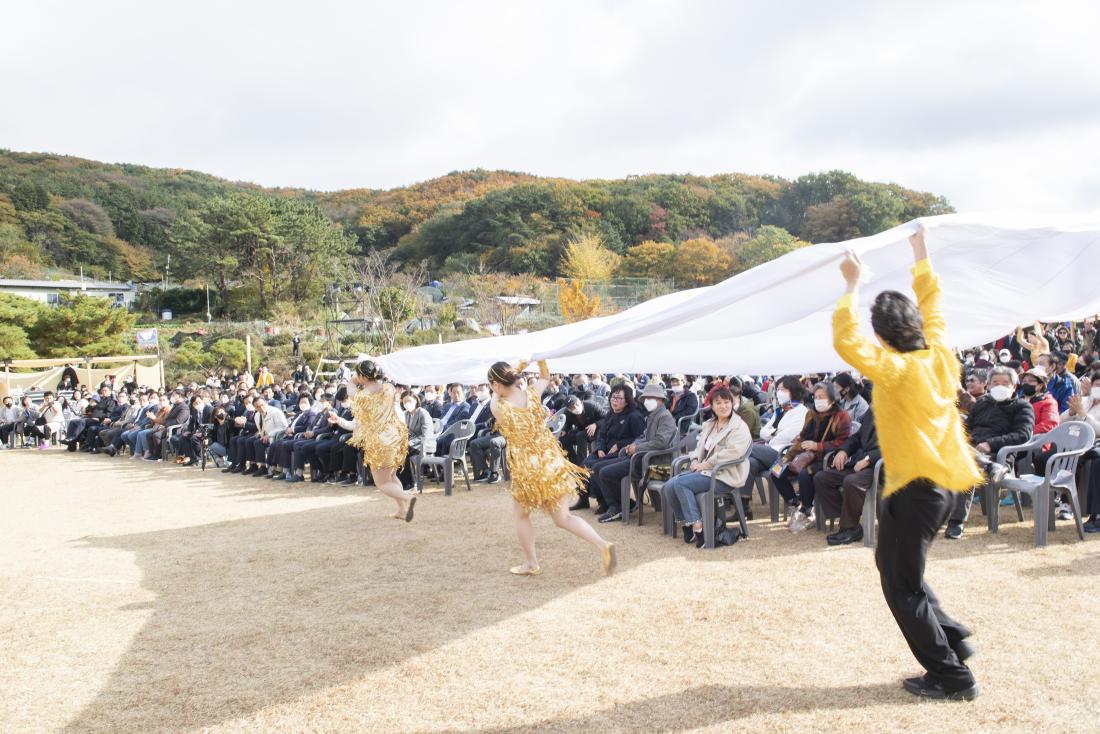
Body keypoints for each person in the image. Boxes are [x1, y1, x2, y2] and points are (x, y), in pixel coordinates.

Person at [834, 224, 982, 701]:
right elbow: (933, 301)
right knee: (894, 569)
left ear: (882, 336)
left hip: (916, 490)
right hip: (935, 488)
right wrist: (920, 251)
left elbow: (847, 342)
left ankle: (952, 677)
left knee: (902, 588)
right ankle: (952, 639)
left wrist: (852, 284)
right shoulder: (938, 353)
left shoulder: (897, 369)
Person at [487, 360, 616, 576]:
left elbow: (495, 397)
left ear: (496, 384)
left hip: (528, 468)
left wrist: (507, 377)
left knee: (521, 516)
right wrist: (539, 360)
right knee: (563, 518)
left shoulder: (499, 407)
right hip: (550, 462)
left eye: (492, 384)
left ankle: (532, 563)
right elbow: (545, 377)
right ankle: (603, 545)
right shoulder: (532, 394)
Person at [946, 366, 1034, 538]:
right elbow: (967, 429)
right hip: (972, 451)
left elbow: (1022, 435)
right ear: (989, 385)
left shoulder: (1022, 406)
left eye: (1005, 383)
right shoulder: (982, 403)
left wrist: (991, 444)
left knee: (966, 465)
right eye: (995, 383)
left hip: (999, 455)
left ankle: (956, 522)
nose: (1000, 386)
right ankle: (988, 466)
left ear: (1014, 386)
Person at [664, 386, 752, 547]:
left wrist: (705, 464)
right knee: (669, 485)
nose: (723, 406)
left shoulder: (739, 426)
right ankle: (688, 525)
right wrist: (695, 461)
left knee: (680, 483)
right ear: (711, 406)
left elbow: (732, 453)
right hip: (706, 471)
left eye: (726, 402)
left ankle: (699, 529)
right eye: (718, 403)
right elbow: (699, 448)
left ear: (732, 403)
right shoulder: (710, 424)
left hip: (724, 474)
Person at [331, 359, 415, 521]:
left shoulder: (363, 396)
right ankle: (401, 509)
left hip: (380, 442)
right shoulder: (389, 388)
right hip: (396, 438)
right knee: (391, 477)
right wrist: (363, 375)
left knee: (382, 483)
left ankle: (408, 498)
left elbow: (350, 387)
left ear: (362, 376)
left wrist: (355, 378)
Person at [772, 381, 852, 532]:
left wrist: (818, 446)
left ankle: (807, 510)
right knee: (776, 470)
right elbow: (802, 438)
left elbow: (843, 442)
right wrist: (788, 457)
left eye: (822, 397)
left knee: (805, 474)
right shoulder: (811, 414)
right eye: (816, 397)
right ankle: (794, 504)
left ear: (832, 399)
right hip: (804, 456)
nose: (818, 400)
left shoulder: (842, 416)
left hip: (827, 459)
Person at [595, 382, 677, 523]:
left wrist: (637, 448)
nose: (646, 401)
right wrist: (632, 445)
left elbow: (661, 442)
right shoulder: (653, 415)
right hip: (642, 459)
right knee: (597, 467)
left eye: (650, 398)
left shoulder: (665, 416)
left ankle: (618, 506)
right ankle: (622, 504)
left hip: (655, 466)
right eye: (645, 398)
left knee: (605, 472)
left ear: (660, 399)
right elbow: (643, 436)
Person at [571, 383, 646, 512]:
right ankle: (584, 499)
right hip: (604, 450)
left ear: (627, 400)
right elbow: (602, 434)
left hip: (621, 453)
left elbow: (640, 438)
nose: (614, 401)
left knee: (595, 467)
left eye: (619, 398)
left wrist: (620, 444)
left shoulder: (634, 416)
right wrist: (600, 448)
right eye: (613, 397)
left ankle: (605, 501)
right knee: (582, 466)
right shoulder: (610, 414)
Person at [813, 409, 881, 545]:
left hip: (878, 466)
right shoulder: (874, 409)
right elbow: (857, 437)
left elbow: (896, 445)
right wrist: (844, 450)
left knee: (851, 481)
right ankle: (848, 523)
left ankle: (849, 527)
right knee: (821, 478)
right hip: (859, 461)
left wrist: (869, 459)